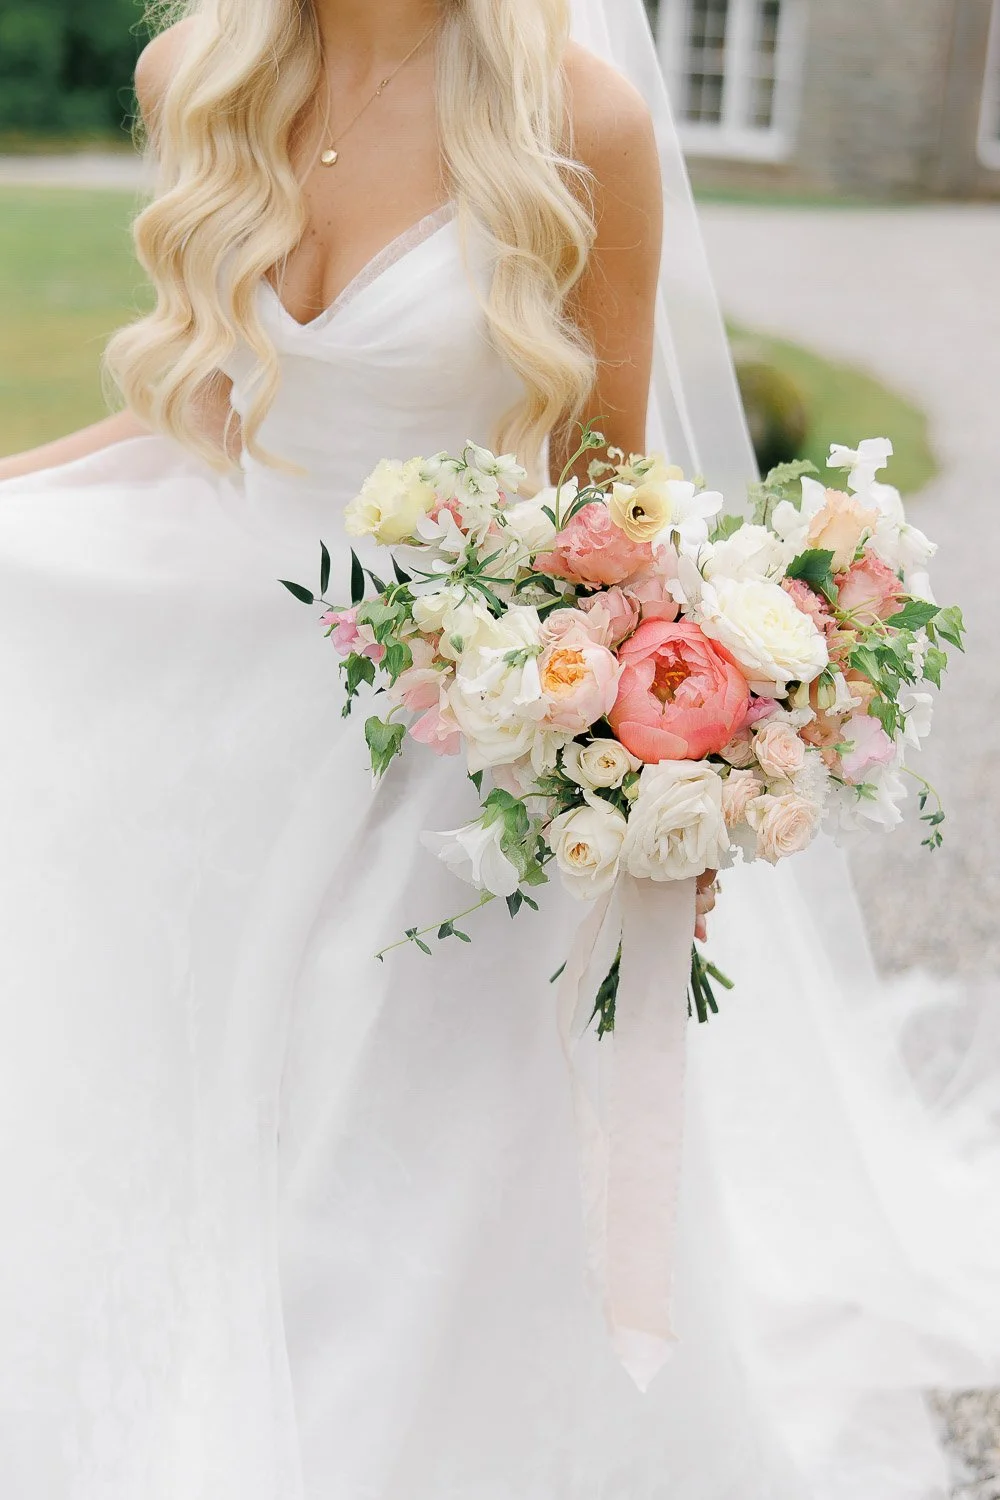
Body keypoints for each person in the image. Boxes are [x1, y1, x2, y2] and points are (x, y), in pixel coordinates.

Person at [0, 2, 996, 1496]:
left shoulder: (580, 122)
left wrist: (670, 763)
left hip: (438, 724)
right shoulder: (195, 66)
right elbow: (200, 409)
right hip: (203, 680)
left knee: (385, 1174)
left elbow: (610, 499)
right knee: (182, 1108)